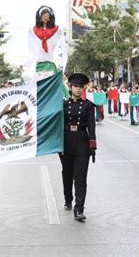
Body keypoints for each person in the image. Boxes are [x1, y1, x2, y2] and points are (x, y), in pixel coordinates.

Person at [58, 73, 96, 222]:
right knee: (67, 174)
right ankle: (68, 198)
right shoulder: (63, 105)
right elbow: (57, 125)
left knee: (80, 177)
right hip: (66, 142)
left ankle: (79, 209)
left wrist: (92, 145)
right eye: (76, 87)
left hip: (82, 142)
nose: (78, 90)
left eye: (81, 87)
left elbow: (91, 127)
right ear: (70, 87)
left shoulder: (88, 106)